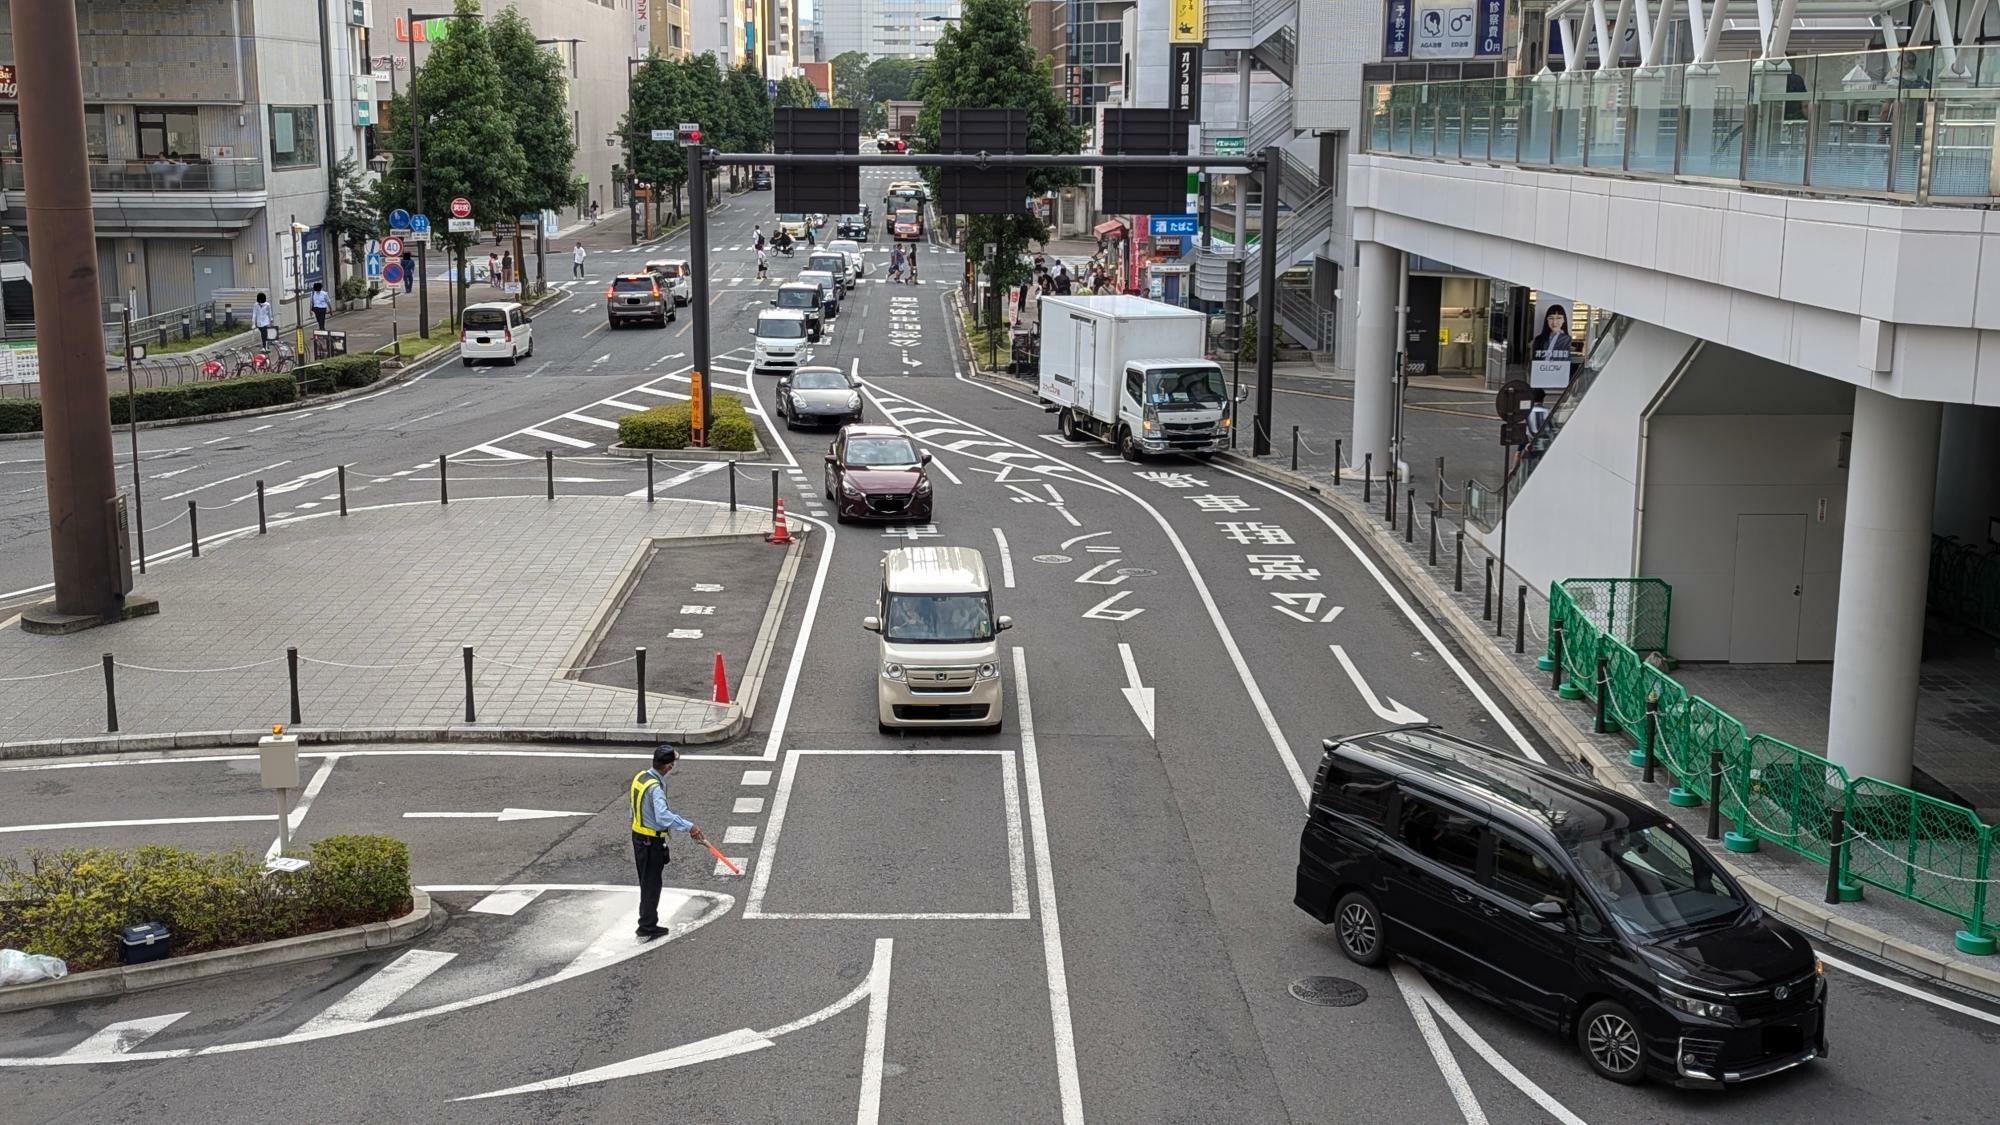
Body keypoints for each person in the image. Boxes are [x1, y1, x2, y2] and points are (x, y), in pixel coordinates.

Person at [630, 745, 706, 939]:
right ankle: (647, 926)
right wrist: (689, 826)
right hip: (650, 842)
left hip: (638, 837)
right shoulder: (655, 787)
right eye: (673, 762)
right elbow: (663, 816)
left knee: (647, 882)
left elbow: (634, 808)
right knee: (651, 885)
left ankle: (647, 922)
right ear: (668, 766)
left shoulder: (641, 778)